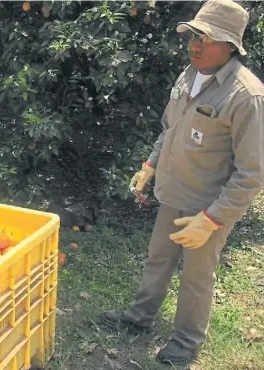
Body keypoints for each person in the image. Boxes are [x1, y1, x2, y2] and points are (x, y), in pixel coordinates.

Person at [101, 0, 264, 366]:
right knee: (158, 256)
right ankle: (139, 317)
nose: (196, 44)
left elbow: (252, 174)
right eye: (194, 35)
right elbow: (170, 129)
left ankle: (187, 341)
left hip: (208, 204)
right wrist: (150, 164)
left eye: (207, 38)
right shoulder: (188, 75)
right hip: (174, 192)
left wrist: (211, 219)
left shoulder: (247, 96)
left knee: (196, 274)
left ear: (231, 46)